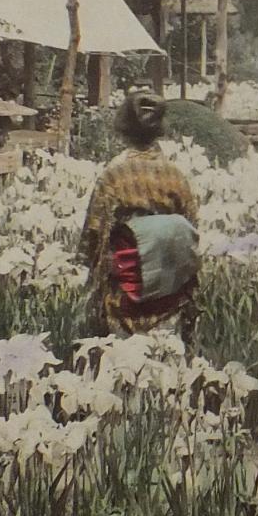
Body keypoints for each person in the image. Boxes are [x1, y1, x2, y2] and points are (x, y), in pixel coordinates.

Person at [78, 92, 201, 344]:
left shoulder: (113, 175)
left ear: (124, 128)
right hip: (168, 292)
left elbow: (94, 233)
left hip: (125, 293)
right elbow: (191, 228)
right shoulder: (175, 175)